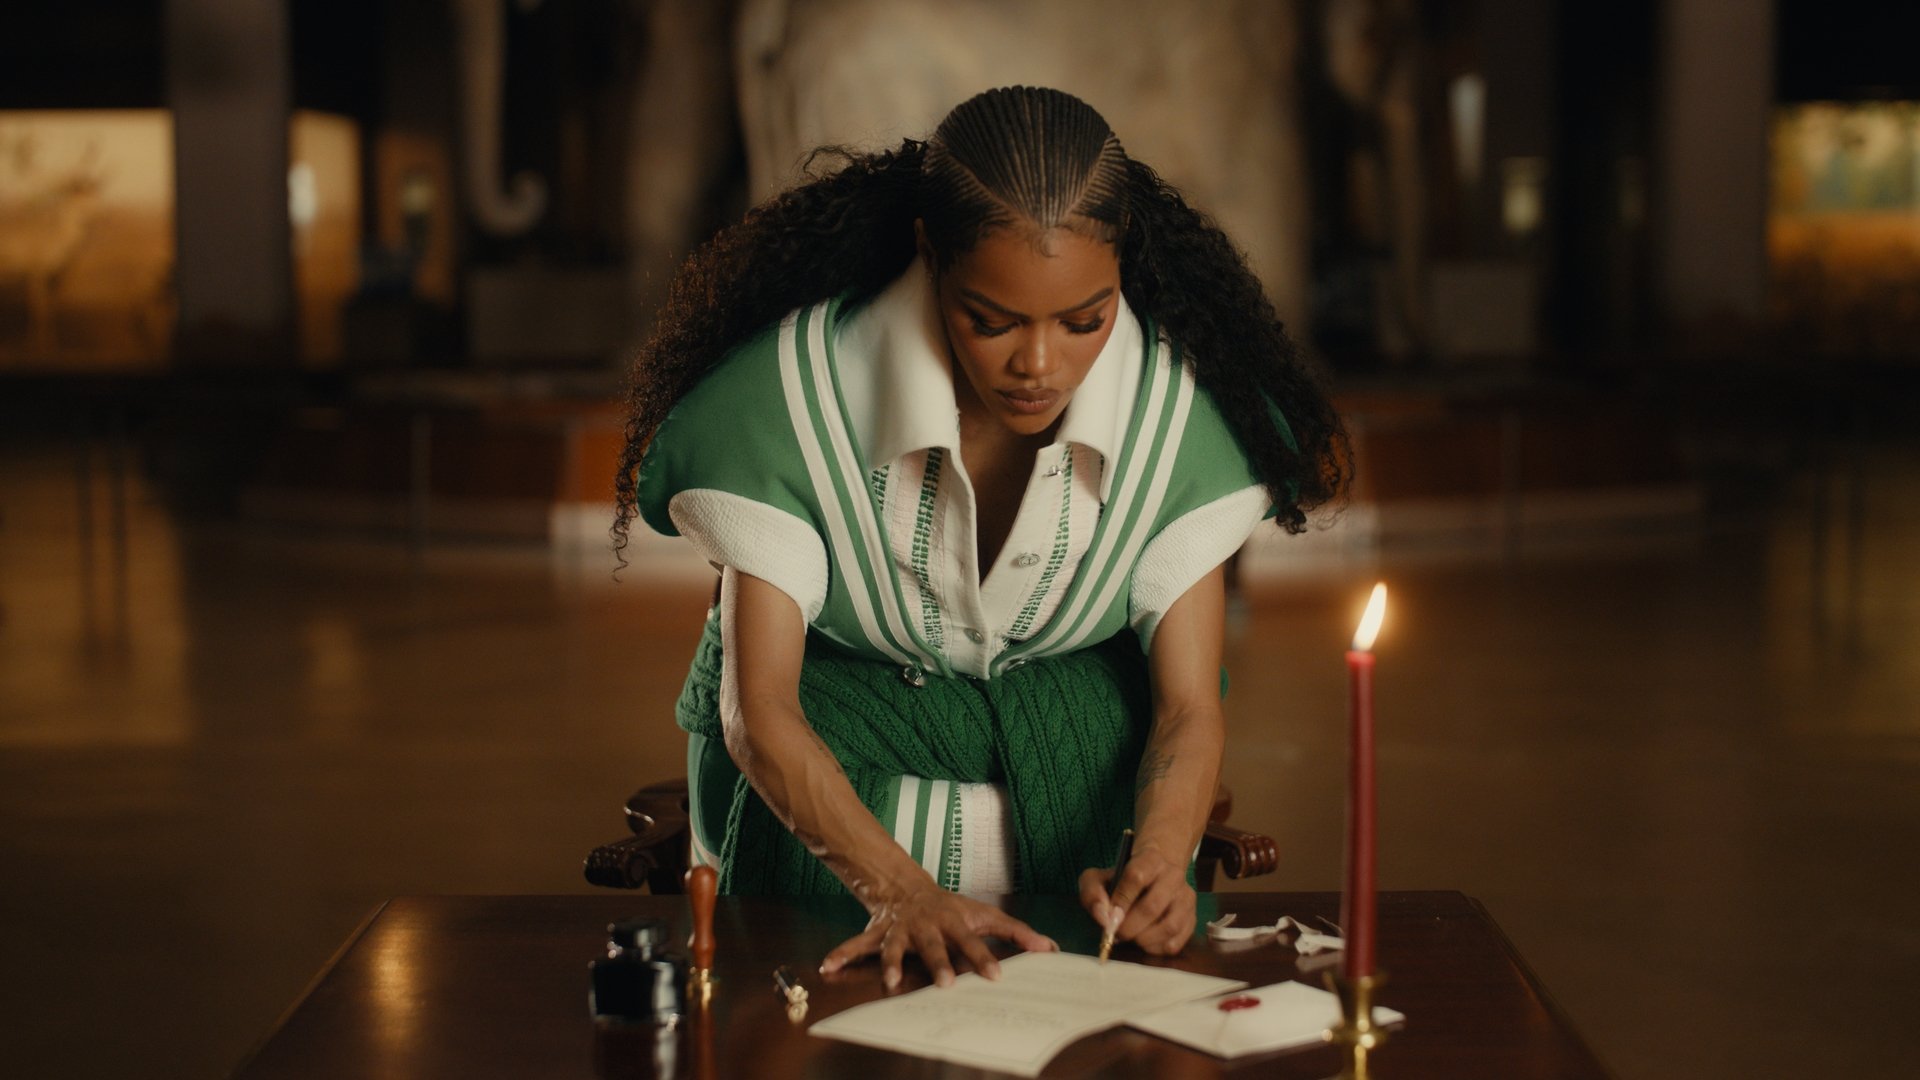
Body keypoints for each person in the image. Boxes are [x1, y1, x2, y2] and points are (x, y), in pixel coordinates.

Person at [612, 86, 1347, 990]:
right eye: (991, 320)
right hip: (821, 890)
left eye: (1086, 320)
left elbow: (1189, 708)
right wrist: (900, 893)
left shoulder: (1176, 419)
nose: (1039, 365)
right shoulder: (792, 403)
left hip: (1073, 912)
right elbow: (758, 711)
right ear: (930, 252)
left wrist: (1161, 854)